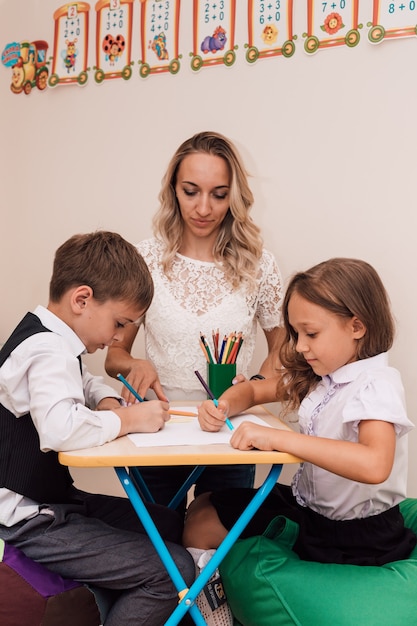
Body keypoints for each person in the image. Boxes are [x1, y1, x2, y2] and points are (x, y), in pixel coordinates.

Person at [0, 231, 194, 626]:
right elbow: (59, 429)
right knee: (172, 571)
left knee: (169, 522)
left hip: (51, 500)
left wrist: (105, 399)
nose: (119, 337)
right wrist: (129, 419)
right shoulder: (46, 349)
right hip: (25, 519)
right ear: (82, 300)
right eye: (119, 323)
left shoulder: (51, 338)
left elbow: (83, 382)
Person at [183, 257, 416, 566]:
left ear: (357, 326)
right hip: (312, 511)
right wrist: (222, 405)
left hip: (355, 537)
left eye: (311, 334)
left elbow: (374, 464)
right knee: (204, 505)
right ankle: (211, 600)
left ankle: (209, 609)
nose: (301, 346)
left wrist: (277, 439)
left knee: (203, 525)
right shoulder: (322, 375)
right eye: (296, 334)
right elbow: (254, 390)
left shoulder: (374, 385)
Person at [105, 131, 284, 508]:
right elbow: (113, 355)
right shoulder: (146, 260)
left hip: (230, 427)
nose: (204, 208)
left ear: (234, 196)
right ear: (173, 190)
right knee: (159, 544)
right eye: (191, 191)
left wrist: (252, 386)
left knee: (218, 540)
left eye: (219, 194)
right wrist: (136, 363)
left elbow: (281, 353)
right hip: (158, 424)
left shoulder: (259, 265)